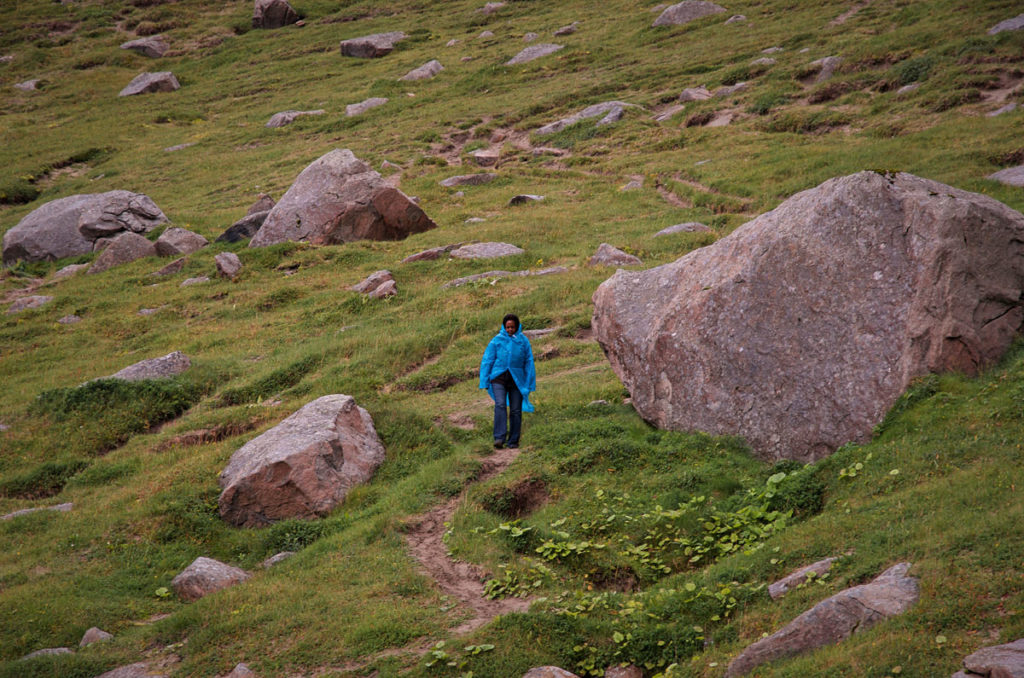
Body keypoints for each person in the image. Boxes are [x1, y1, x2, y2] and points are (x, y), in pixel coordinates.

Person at [479, 313, 536, 449]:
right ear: (504, 327)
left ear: (517, 327)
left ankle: (513, 440)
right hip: (498, 378)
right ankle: (499, 438)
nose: (510, 330)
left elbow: (529, 362)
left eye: (513, 327)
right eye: (508, 327)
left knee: (516, 410)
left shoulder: (523, 341)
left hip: (517, 380)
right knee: (500, 404)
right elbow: (487, 360)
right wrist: (485, 380)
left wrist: (529, 382)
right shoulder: (496, 341)